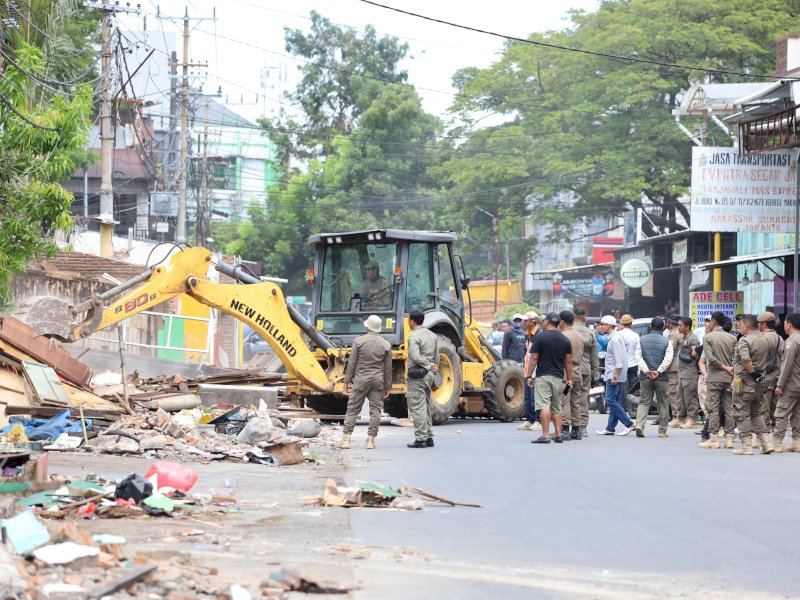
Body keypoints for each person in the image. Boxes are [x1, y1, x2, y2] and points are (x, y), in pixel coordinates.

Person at [337, 315, 392, 450]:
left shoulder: (359, 341)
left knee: (352, 409)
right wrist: (387, 386)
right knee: (376, 411)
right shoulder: (386, 344)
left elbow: (352, 363)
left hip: (361, 380)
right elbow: (388, 369)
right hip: (377, 380)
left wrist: (347, 380)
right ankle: (370, 441)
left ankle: (346, 441)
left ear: (367, 326)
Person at [526, 312, 573, 444]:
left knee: (544, 405)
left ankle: (545, 435)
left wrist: (529, 375)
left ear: (547, 321)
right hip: (558, 378)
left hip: (543, 377)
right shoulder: (565, 339)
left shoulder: (540, 338)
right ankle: (558, 435)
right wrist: (569, 379)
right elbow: (568, 362)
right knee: (557, 407)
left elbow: (534, 358)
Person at [730, 314, 772, 455]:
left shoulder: (744, 341)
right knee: (756, 413)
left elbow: (745, 359)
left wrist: (752, 372)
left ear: (746, 326)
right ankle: (766, 443)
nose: (739, 327)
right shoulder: (764, 339)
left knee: (741, 413)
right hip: (759, 383)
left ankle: (746, 446)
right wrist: (757, 375)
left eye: (741, 325)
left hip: (744, 383)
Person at [699, 312, 736, 449]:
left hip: (714, 377)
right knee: (729, 408)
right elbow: (736, 360)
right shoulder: (732, 338)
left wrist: (724, 367)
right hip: (729, 377)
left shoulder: (708, 337)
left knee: (713, 407)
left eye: (709, 322)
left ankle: (714, 438)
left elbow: (711, 359)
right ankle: (729, 438)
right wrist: (732, 372)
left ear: (713, 322)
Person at [633, 317, 673, 438]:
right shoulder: (667, 341)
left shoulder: (642, 340)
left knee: (644, 401)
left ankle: (640, 425)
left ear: (651, 326)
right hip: (661, 378)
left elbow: (638, 357)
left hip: (645, 377)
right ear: (663, 328)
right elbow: (668, 359)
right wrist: (659, 371)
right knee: (663, 403)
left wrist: (646, 370)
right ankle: (662, 431)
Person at [596, 315, 636, 436]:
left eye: (602, 324)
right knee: (615, 401)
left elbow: (619, 361)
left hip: (614, 375)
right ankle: (610, 427)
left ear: (608, 325)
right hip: (615, 374)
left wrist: (614, 376)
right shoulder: (615, 337)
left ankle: (629, 424)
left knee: (609, 400)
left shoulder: (615, 339)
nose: (600, 326)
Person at [406, 310, 440, 448]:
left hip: (417, 375)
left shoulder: (413, 336)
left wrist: (427, 364)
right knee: (425, 405)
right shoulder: (432, 335)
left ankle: (421, 439)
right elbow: (437, 356)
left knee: (417, 406)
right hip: (429, 375)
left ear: (412, 322)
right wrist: (433, 367)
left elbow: (415, 356)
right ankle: (429, 437)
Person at [773, 312, 800, 452]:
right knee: (798, 414)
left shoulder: (792, 341)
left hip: (791, 384)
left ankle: (777, 442)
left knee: (781, 412)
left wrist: (780, 385)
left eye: (784, 323)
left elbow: (787, 365)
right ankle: (797, 441)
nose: (783, 326)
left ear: (789, 325)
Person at [573, 306, 599, 439]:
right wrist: (595, 373)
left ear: (573, 316)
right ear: (585, 317)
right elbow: (594, 356)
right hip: (585, 370)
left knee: (569, 398)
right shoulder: (590, 333)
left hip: (570, 371)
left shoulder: (568, 332)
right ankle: (582, 428)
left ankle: (571, 426)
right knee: (583, 398)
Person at [558, 310, 584, 441]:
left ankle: (565, 429)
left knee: (565, 402)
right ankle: (576, 430)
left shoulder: (562, 336)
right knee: (576, 402)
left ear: (562, 322)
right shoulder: (579, 335)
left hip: (566, 375)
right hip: (578, 373)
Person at [757, 311, 784, 431]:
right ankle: (776, 429)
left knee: (764, 406)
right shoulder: (779, 338)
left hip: (764, 378)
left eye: (759, 323)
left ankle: (765, 430)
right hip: (777, 377)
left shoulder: (761, 338)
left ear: (764, 324)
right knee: (775, 406)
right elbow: (783, 358)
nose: (758, 325)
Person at [517, 312, 542, 431]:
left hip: (535, 371)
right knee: (527, 398)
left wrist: (531, 374)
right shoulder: (528, 334)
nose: (523, 322)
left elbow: (536, 356)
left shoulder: (539, 335)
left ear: (532, 321)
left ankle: (538, 420)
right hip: (527, 370)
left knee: (534, 398)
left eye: (526, 320)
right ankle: (530, 419)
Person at [675, 316, 701, 429]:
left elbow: (695, 354)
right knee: (680, 397)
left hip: (690, 373)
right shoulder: (683, 337)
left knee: (690, 397)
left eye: (680, 325)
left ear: (687, 327)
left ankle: (692, 419)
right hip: (682, 373)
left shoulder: (693, 339)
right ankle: (680, 418)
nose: (678, 327)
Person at [617, 314, 640, 414]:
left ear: (622, 323)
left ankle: (625, 408)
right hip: (633, 364)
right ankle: (632, 407)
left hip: (622, 365)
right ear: (631, 323)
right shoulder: (635, 335)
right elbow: (638, 351)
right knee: (633, 386)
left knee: (624, 387)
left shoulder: (618, 334)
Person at [665, 316, 683, 426]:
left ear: (671, 324)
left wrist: (664, 366)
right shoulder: (683, 333)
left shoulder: (673, 334)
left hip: (674, 367)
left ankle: (676, 416)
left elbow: (670, 351)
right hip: (682, 366)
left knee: (672, 392)